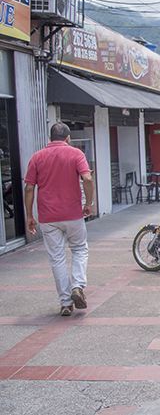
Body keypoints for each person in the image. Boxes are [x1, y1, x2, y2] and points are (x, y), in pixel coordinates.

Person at [23, 123, 95, 316]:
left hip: (48, 217)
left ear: (50, 138)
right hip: (73, 214)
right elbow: (87, 179)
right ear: (68, 138)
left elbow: (29, 188)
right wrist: (89, 203)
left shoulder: (37, 157)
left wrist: (30, 215)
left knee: (57, 258)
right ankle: (77, 286)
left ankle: (65, 303)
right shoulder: (76, 154)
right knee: (79, 249)